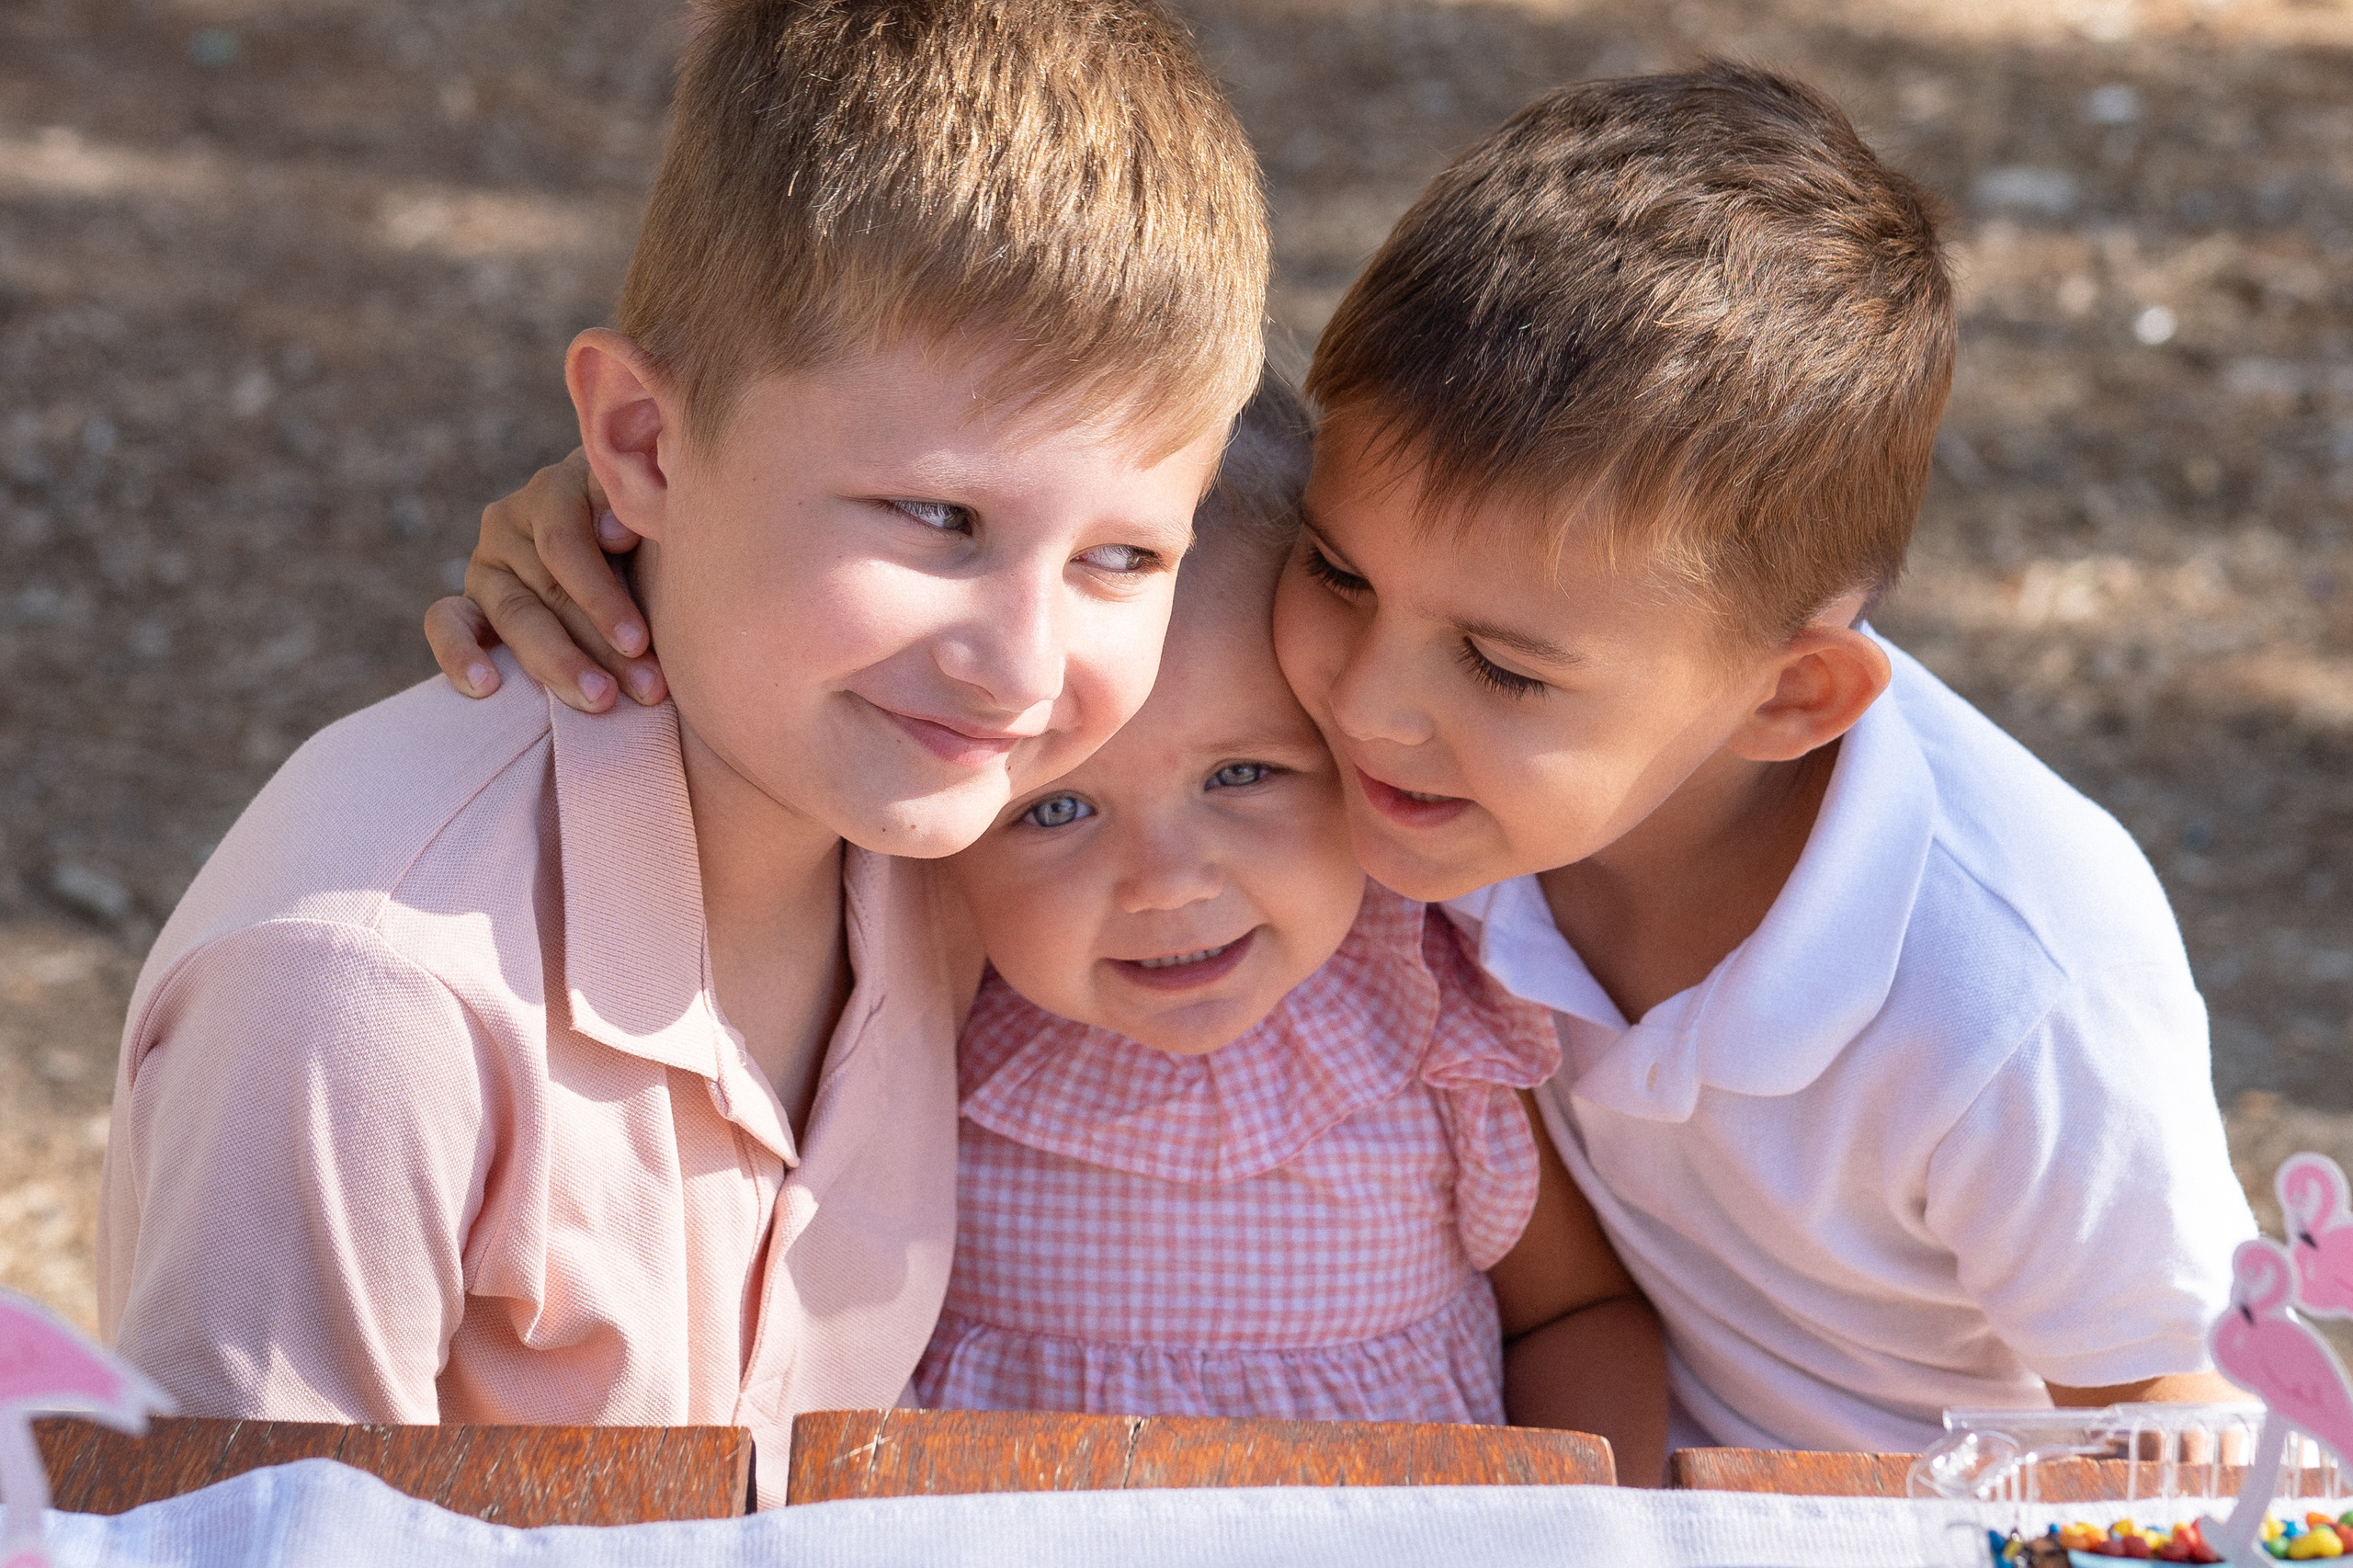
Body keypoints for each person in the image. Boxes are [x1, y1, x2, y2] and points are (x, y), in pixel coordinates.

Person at [428, 64, 2258, 1457]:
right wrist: (614, 531)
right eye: (1340, 571)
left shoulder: (2009, 991)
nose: (1364, 699)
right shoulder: (1404, 771)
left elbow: (2192, 1436)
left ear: (1783, 703)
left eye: (1495, 663)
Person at [98, 0, 1267, 1506]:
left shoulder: (955, 824)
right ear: (641, 445)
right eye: (936, 519)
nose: (1023, 669)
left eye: (1121, 558)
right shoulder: (366, 1003)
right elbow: (233, 1546)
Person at [914, 376, 1668, 1482]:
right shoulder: (915, 1018)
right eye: (1057, 806)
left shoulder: (1429, 1030)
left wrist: (1589, 1528)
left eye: (1244, 773)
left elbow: (1575, 1313)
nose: (1165, 885)